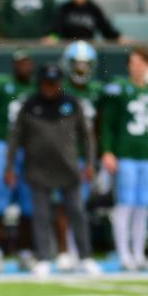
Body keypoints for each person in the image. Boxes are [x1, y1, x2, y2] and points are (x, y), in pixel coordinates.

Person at [6, 64, 99, 276]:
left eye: (54, 83)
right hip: (38, 168)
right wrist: (10, 166)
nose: (50, 88)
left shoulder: (72, 103)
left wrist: (91, 163)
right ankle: (44, 258)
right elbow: (15, 137)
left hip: (68, 167)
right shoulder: (29, 105)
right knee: (41, 215)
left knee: (77, 212)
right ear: (40, 84)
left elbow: (87, 136)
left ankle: (86, 257)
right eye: (47, 83)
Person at [99, 47, 148, 271]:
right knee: (125, 205)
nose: (137, 66)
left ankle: (138, 253)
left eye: (141, 62)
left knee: (143, 207)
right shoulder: (120, 89)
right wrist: (108, 151)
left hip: (147, 155)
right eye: (133, 62)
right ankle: (124, 254)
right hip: (125, 154)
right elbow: (107, 123)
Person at [0, 50, 36, 273]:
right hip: (3, 145)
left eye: (27, 63)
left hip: (30, 148)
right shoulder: (3, 87)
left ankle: (25, 251)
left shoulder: (37, 90)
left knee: (28, 202)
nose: (24, 67)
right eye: (20, 63)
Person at [57, 40, 103, 270]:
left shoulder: (97, 92)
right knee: (64, 205)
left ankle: (79, 251)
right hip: (65, 155)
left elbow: (98, 129)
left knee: (79, 206)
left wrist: (95, 159)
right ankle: (65, 250)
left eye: (86, 65)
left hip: (86, 156)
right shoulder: (61, 90)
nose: (81, 70)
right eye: (77, 64)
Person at [54, 0, 121, 42]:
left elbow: (105, 28)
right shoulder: (64, 8)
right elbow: (57, 28)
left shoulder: (94, 9)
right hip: (67, 45)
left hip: (88, 45)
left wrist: (118, 37)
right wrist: (53, 37)